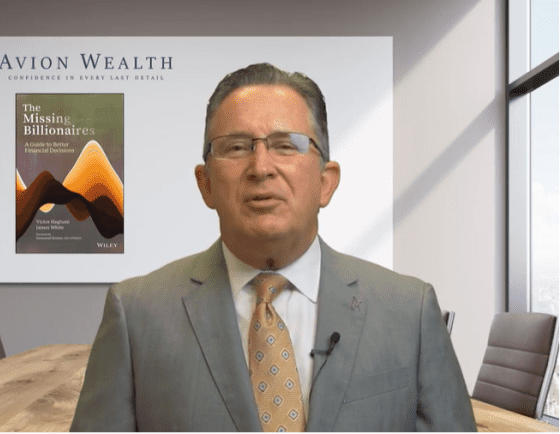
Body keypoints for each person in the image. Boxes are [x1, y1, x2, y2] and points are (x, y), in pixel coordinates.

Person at [70, 63, 476, 431]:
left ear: (326, 181)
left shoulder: (409, 310)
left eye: (287, 145)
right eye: (236, 146)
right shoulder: (136, 313)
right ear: (206, 184)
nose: (261, 167)